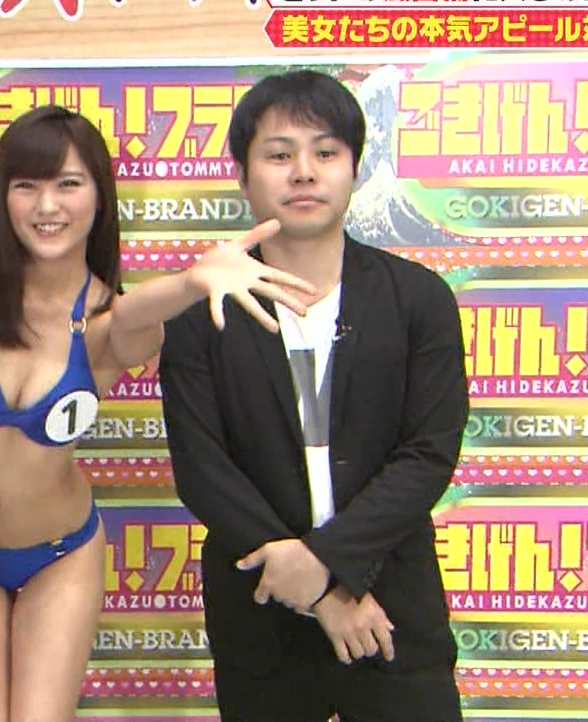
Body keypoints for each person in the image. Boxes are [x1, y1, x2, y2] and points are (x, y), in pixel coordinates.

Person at [0, 105, 314, 721]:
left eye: (68, 184)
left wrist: (192, 280)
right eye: (27, 185)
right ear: (3, 197)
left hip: (59, 553)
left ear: (99, 196)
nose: (48, 206)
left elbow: (132, 315)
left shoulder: (104, 323)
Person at [157, 70, 469, 722]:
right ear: (243, 176)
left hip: (390, 606)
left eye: (325, 152)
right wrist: (322, 594)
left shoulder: (417, 300)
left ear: (354, 168)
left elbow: (427, 455)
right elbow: (203, 471)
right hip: (260, 615)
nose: (304, 172)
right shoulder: (200, 315)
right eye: (279, 155)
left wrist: (331, 566)